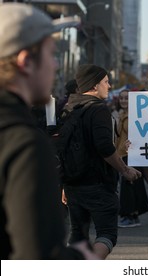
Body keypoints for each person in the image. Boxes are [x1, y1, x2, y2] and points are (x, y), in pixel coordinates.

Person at [0, 3, 96, 259]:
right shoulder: (24, 145)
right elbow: (38, 259)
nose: (55, 65)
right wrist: (82, 258)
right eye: (50, 54)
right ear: (26, 62)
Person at [62, 64, 142, 259]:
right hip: (98, 184)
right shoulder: (98, 110)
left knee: (78, 236)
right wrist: (124, 170)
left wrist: (63, 184)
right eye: (106, 82)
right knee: (106, 234)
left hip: (73, 184)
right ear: (95, 86)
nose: (109, 85)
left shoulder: (69, 109)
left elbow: (62, 149)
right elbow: (105, 147)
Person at [115, 89, 148, 227]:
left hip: (130, 155)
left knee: (128, 185)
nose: (123, 100)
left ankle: (128, 215)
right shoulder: (123, 114)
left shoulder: (134, 116)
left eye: (126, 98)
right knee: (133, 185)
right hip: (124, 154)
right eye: (121, 98)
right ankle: (133, 215)